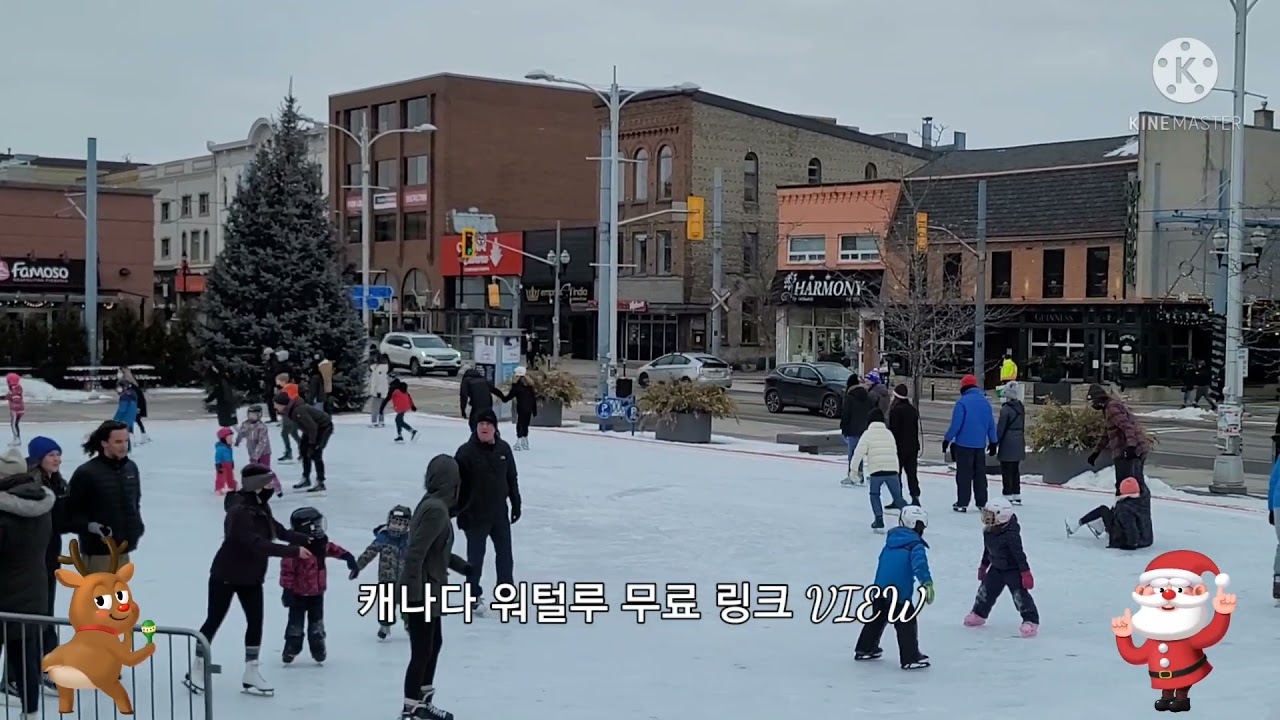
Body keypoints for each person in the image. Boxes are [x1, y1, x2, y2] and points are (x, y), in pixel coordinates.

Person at [186, 464, 309, 696]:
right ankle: (198, 667)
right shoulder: (239, 512)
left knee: (255, 622)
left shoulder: (260, 506)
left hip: (252, 576)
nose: (272, 487)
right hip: (226, 574)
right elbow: (256, 543)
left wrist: (308, 539)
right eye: (268, 483)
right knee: (214, 620)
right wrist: (293, 551)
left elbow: (278, 531)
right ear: (256, 485)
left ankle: (251, 672)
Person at [399, 455, 471, 720]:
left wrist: (463, 567)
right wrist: (412, 595)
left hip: (431, 589)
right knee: (421, 650)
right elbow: (415, 553)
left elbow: (436, 551)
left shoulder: (433, 504)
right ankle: (410, 709)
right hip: (422, 591)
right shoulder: (436, 510)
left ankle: (423, 702)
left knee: (433, 644)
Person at [0, 448, 55, 715]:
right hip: (33, 596)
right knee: (26, 662)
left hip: (4, 599)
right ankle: (30, 712)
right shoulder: (41, 508)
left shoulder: (4, 516)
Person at [454, 409, 521, 611]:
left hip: (499, 513)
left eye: (488, 424)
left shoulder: (504, 449)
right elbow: (456, 486)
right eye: (481, 424)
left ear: (495, 428)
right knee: (475, 558)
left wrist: (516, 502)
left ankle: (506, 594)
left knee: (505, 556)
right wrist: (459, 512)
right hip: (474, 514)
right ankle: (473, 596)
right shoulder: (465, 452)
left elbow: (511, 477)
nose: (484, 427)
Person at [855, 505, 933, 670]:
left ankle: (865, 648)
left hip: (880, 591)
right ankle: (910, 657)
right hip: (900, 594)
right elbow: (920, 566)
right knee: (906, 624)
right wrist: (927, 583)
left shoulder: (891, 542)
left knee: (876, 620)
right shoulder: (915, 545)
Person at [280, 507, 357, 664]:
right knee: (295, 623)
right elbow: (287, 571)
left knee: (317, 623)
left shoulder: (320, 543)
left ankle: (318, 647)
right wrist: (287, 590)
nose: (320, 528)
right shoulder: (295, 549)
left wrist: (348, 557)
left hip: (317, 593)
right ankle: (292, 647)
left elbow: (333, 549)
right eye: (316, 525)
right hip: (297, 594)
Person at [65, 420, 143, 573]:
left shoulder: (130, 468)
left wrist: (137, 527)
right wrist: (91, 527)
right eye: (118, 442)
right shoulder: (87, 473)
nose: (124, 446)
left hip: (123, 549)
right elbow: (69, 514)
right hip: (98, 553)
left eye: (126, 441)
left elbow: (135, 503)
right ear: (104, 443)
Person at [25, 436, 70, 691]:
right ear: (38, 458)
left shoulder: (58, 483)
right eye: (51, 455)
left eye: (58, 454)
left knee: (46, 613)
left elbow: (62, 521)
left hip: (50, 556)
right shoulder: (32, 485)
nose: (57, 459)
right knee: (37, 615)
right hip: (33, 558)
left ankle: (46, 667)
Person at [964, 497, 1039, 638]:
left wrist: (1026, 573)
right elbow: (987, 550)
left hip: (1012, 570)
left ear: (1002, 516)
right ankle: (979, 614)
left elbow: (1019, 554)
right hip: (996, 568)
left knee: (1020, 596)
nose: (986, 518)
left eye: (990, 515)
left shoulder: (1011, 535)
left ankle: (1030, 620)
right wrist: (983, 566)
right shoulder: (988, 531)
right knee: (985, 592)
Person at [350, 505, 413, 640]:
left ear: (407, 525)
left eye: (400, 524)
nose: (396, 527)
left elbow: (421, 554)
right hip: (386, 577)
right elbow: (370, 552)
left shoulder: (410, 540)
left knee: (407, 601)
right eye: (394, 523)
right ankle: (385, 625)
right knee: (386, 603)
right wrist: (357, 566)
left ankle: (409, 624)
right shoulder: (383, 537)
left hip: (406, 577)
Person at [942, 374, 998, 513]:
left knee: (964, 475)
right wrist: (993, 442)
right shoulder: (985, 403)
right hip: (980, 446)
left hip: (963, 445)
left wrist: (947, 439)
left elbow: (956, 425)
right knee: (980, 475)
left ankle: (962, 502)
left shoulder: (962, 403)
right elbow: (991, 425)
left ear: (963, 387)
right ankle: (982, 502)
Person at [1086, 383, 1151, 491]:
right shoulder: (1108, 408)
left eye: (1092, 401)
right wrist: (1096, 453)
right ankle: (1136, 500)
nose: (1092, 405)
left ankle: (1135, 501)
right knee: (1131, 484)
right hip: (1129, 450)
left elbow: (1127, 426)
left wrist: (1131, 447)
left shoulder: (1112, 408)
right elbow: (1107, 434)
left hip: (1130, 451)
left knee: (1128, 485)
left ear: (1098, 399)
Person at [850, 408, 906, 532]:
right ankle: (911, 515)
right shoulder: (889, 433)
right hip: (892, 470)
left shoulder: (867, 434)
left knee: (874, 495)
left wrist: (853, 471)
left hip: (876, 471)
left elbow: (858, 453)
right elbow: (894, 451)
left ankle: (879, 519)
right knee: (898, 498)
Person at [1065, 476, 1153, 550]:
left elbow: (1131, 529)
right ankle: (1098, 526)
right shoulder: (1144, 498)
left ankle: (1077, 524)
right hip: (1147, 538)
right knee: (1112, 511)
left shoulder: (1124, 508)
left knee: (1103, 510)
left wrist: (1131, 545)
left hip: (1127, 540)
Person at [274, 392, 333, 492]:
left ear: (282, 404)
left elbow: (313, 427)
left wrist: (312, 444)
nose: (274, 407)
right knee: (304, 450)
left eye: (276, 404)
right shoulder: (290, 409)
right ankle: (306, 478)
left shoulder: (298, 410)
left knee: (316, 453)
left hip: (323, 427)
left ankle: (320, 481)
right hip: (311, 429)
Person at [887, 383, 921, 505]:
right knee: (912, 474)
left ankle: (898, 498)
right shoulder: (912, 410)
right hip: (912, 447)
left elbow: (894, 430)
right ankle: (915, 497)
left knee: (897, 474)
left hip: (899, 447)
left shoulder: (895, 411)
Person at [994, 380, 1027, 505]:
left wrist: (995, 442)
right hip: (1019, 440)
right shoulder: (1020, 407)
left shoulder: (1006, 409)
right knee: (1015, 469)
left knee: (1006, 469)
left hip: (1007, 441)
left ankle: (1007, 493)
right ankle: (1016, 493)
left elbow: (1001, 428)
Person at [838, 377, 871, 487]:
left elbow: (846, 414)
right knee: (859, 453)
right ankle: (860, 474)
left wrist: (843, 428)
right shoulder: (867, 396)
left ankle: (852, 475)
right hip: (864, 429)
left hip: (852, 429)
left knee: (852, 454)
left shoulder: (850, 397)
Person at [236, 405, 276, 484]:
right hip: (252, 451)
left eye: (254, 415)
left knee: (265, 469)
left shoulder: (261, 427)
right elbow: (241, 433)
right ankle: (256, 484)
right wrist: (238, 441)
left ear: (259, 415)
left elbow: (262, 442)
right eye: (250, 415)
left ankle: (274, 484)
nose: (251, 417)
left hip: (264, 452)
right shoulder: (245, 424)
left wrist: (256, 454)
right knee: (254, 469)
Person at [502, 366, 536, 451]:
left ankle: (519, 441)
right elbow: (533, 398)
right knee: (526, 423)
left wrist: (503, 399)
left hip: (521, 407)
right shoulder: (529, 386)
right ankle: (525, 441)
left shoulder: (516, 386)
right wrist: (534, 409)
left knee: (520, 423)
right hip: (529, 407)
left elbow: (510, 396)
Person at [459, 367, 503, 432]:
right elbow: (494, 390)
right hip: (488, 405)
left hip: (477, 406)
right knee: (490, 421)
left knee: (474, 423)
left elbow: (463, 396)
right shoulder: (483, 379)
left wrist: (463, 410)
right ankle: (494, 434)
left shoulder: (466, 381)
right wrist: (503, 398)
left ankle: (476, 435)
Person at [274, 375, 300, 463]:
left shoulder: (287, 389)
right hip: (292, 414)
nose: (277, 383)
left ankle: (289, 452)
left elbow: (289, 401)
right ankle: (303, 450)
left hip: (289, 414)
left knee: (285, 433)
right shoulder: (290, 389)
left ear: (283, 381)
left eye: (278, 381)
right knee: (294, 433)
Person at [113, 369, 140, 448]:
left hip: (124, 422)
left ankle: (127, 448)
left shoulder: (124, 397)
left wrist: (114, 420)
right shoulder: (132, 394)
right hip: (130, 420)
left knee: (124, 437)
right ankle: (129, 447)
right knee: (129, 433)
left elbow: (122, 410)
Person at [264, 348, 290, 423]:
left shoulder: (275, 363)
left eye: (265, 355)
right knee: (271, 401)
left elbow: (276, 375)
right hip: (270, 385)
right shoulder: (270, 363)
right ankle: (274, 417)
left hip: (274, 385)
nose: (264, 356)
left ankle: (281, 418)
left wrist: (276, 386)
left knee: (277, 402)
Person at [214, 427, 237, 495]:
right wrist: (218, 464)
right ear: (223, 439)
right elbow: (218, 457)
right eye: (229, 438)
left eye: (231, 438)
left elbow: (230, 456)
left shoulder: (228, 447)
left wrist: (232, 462)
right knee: (221, 477)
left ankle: (232, 486)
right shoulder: (220, 448)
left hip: (229, 464)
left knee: (230, 476)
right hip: (222, 464)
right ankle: (219, 488)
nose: (231, 440)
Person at [370, 354, 391, 428]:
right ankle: (381, 421)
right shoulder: (383, 369)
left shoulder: (378, 370)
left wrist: (377, 391)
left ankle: (374, 422)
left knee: (375, 407)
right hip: (383, 391)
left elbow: (378, 381)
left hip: (378, 392)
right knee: (381, 407)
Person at [6, 373, 23, 447]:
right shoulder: (15, 388)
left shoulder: (15, 388)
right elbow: (10, 397)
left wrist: (14, 408)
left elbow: (16, 399)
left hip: (16, 410)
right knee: (15, 424)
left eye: (8, 380)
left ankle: (17, 439)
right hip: (18, 409)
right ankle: (16, 439)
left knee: (13, 425)